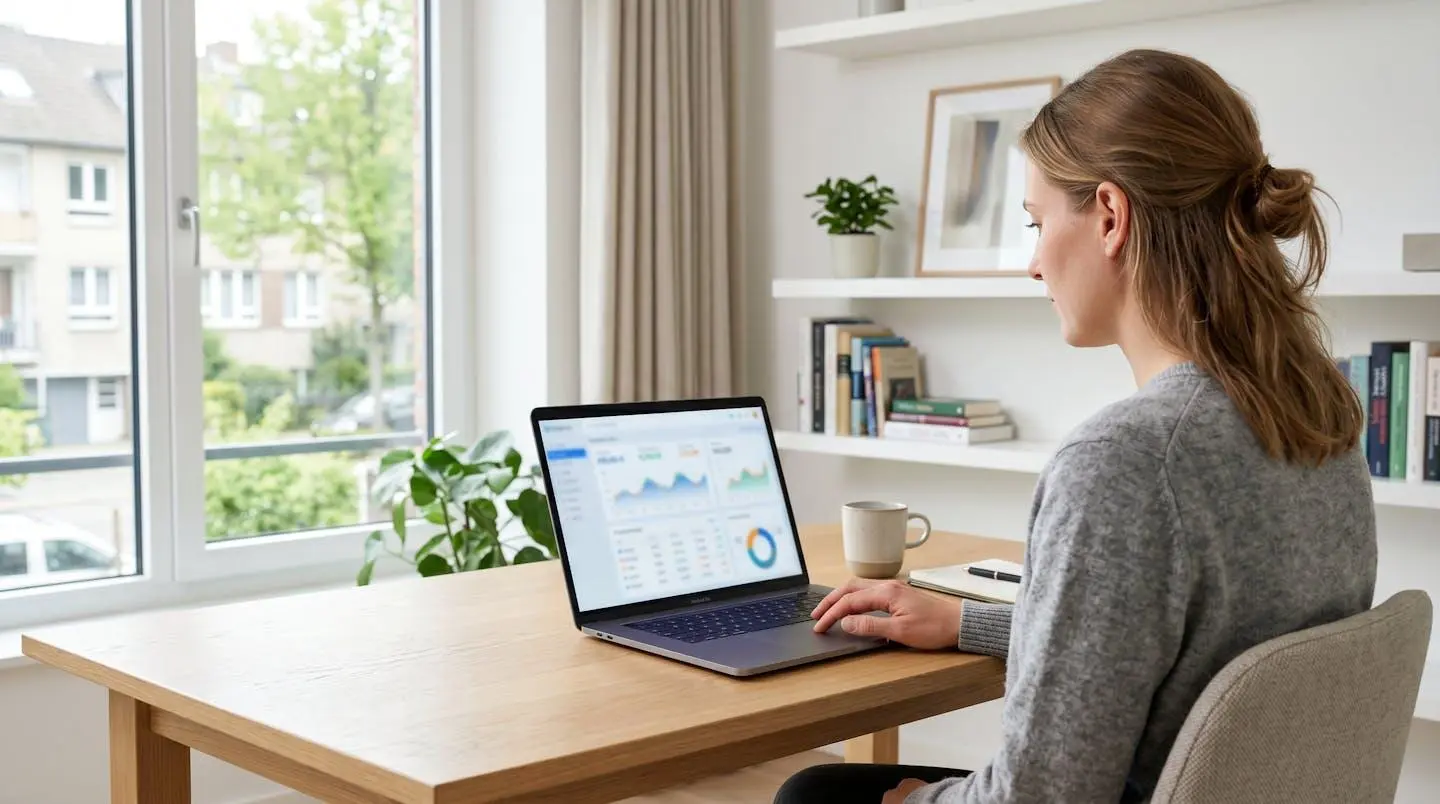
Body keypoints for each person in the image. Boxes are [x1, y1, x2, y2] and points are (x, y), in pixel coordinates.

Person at [774, 48, 1377, 804]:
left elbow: (1043, 796)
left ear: (1111, 216)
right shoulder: (1321, 418)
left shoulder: (1126, 463)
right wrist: (973, 623)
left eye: (1037, 224)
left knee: (815, 794)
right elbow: (1176, 655)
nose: (1033, 264)